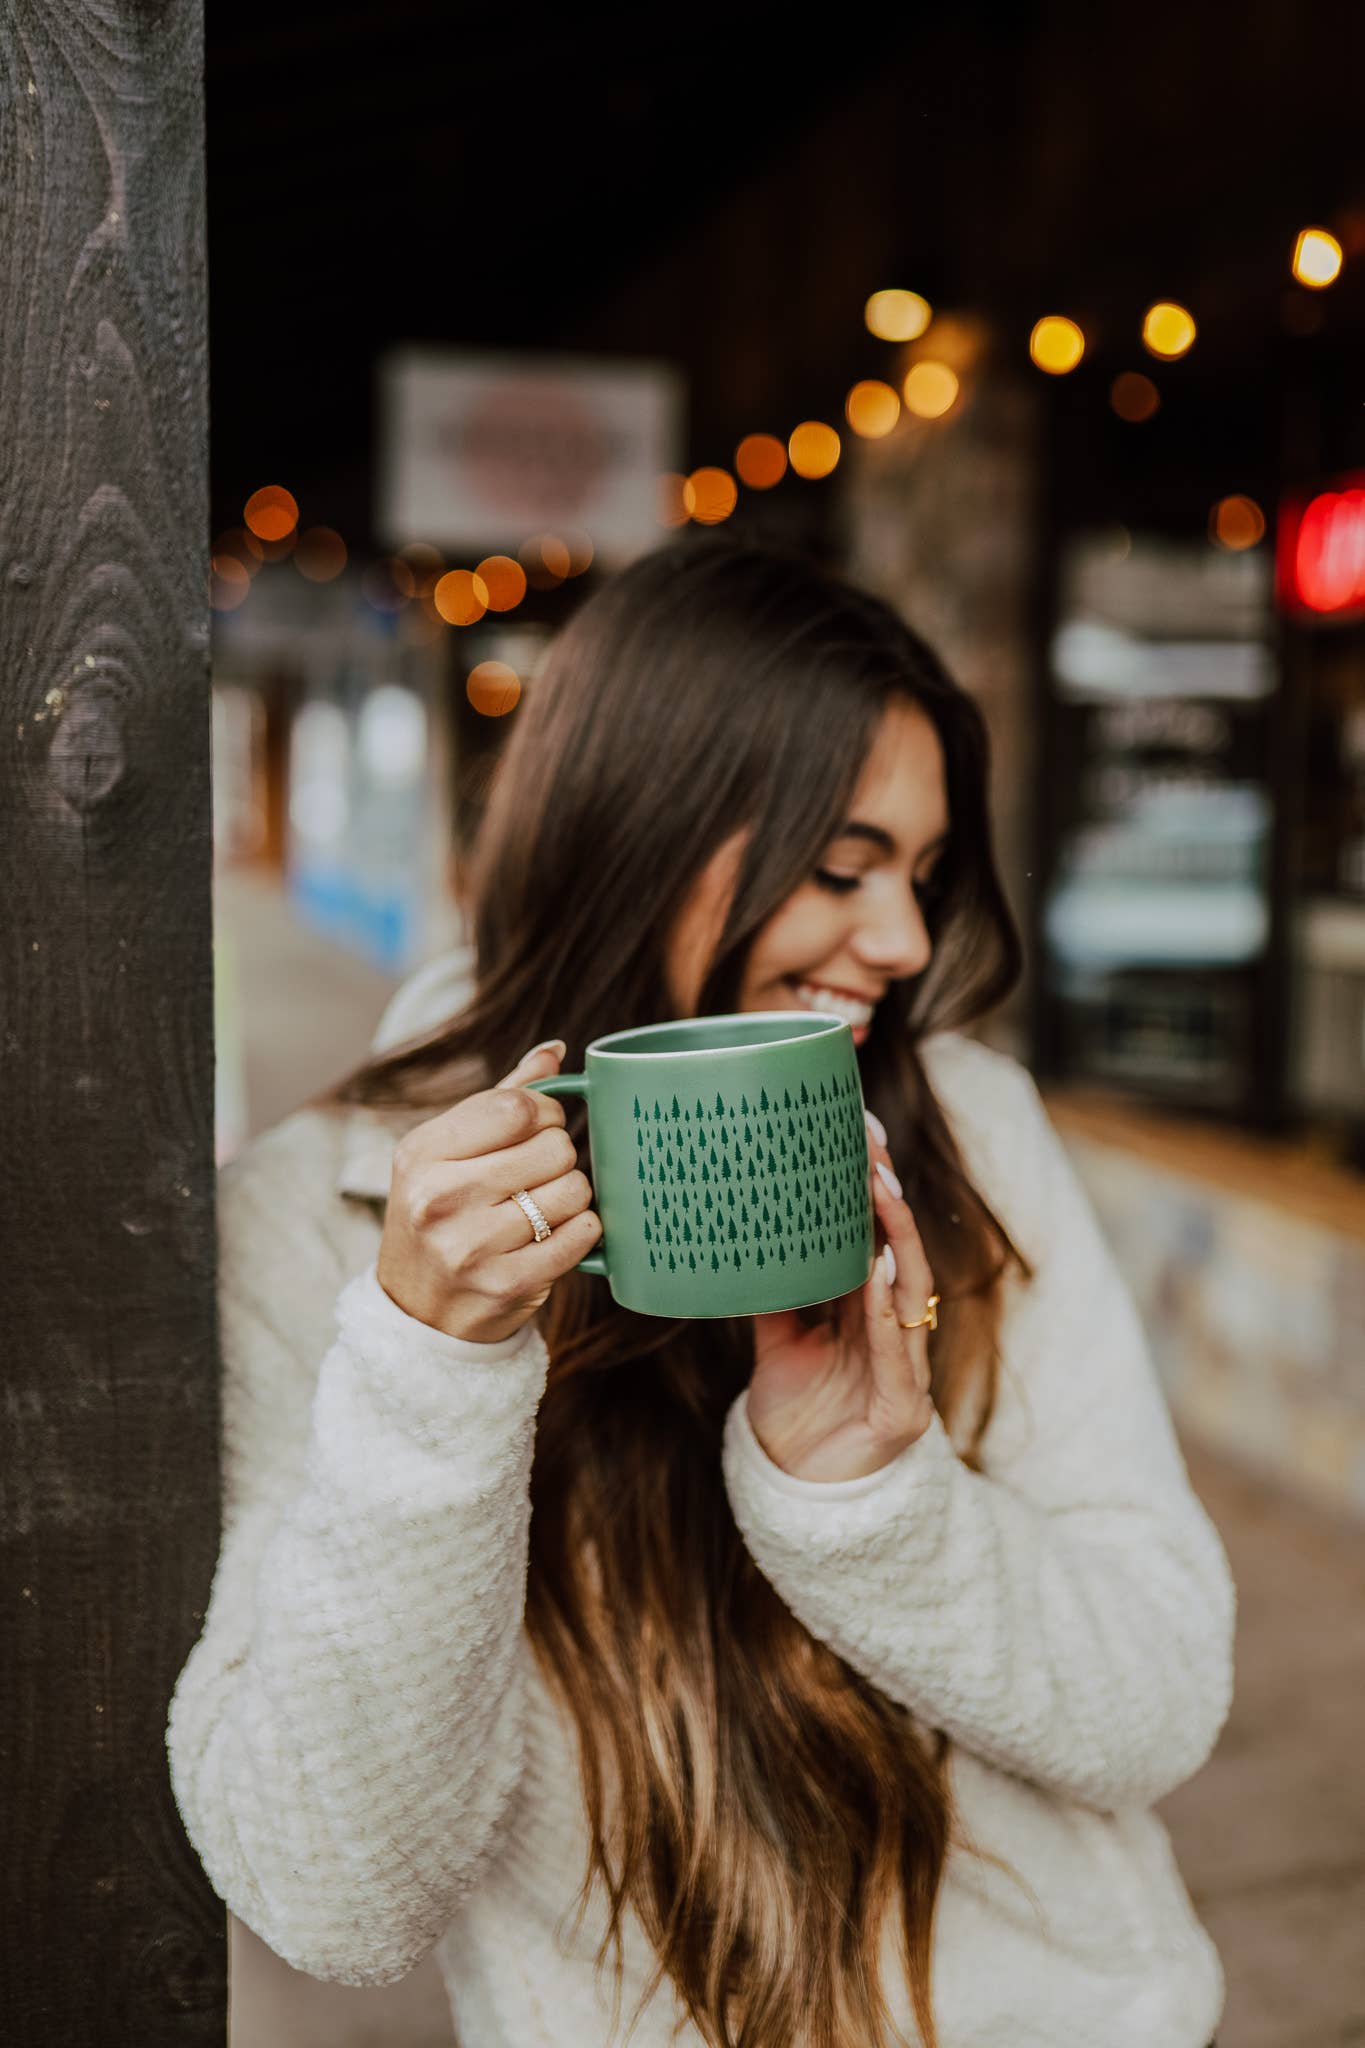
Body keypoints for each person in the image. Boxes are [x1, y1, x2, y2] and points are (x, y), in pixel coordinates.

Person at [167, 534, 1233, 2048]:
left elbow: (1162, 1701)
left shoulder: (966, 1126)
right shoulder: (329, 1223)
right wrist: (431, 1374)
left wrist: (871, 1500)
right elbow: (336, 1897)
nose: (902, 942)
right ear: (635, 834)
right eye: (840, 868)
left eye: (924, 876)